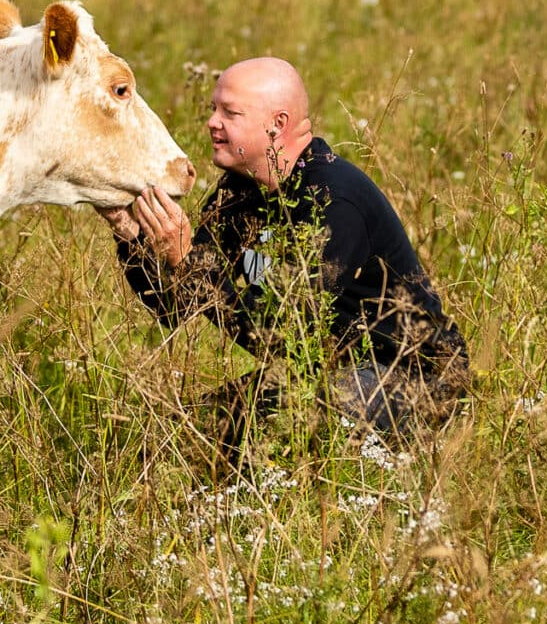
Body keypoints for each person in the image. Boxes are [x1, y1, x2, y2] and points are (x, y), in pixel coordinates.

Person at [101, 56, 469, 445]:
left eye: (231, 112)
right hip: (323, 372)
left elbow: (287, 332)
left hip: (417, 377)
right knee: (184, 436)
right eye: (214, 109)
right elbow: (173, 307)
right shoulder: (239, 192)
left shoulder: (333, 199)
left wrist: (187, 259)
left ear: (278, 125)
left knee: (297, 413)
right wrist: (131, 235)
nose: (212, 122)